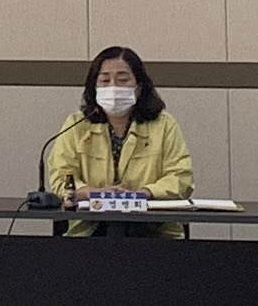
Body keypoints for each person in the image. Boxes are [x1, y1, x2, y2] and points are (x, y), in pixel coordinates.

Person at [40, 45, 194, 204]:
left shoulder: (164, 125)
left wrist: (142, 194)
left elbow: (181, 178)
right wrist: (95, 193)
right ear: (94, 87)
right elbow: (61, 178)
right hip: (90, 216)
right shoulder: (76, 125)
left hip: (149, 216)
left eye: (123, 80)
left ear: (139, 88)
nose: (113, 87)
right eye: (105, 80)